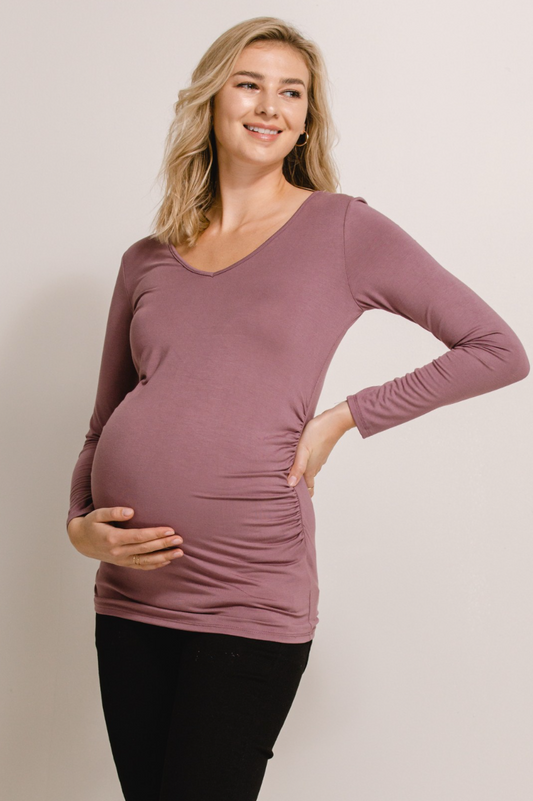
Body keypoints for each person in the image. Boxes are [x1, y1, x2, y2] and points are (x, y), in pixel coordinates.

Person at [66, 16, 530, 801]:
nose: (269, 106)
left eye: (291, 93)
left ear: (307, 119)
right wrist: (78, 524)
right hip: (131, 594)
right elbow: (102, 418)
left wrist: (344, 416)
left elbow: (496, 348)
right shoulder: (146, 258)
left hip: (248, 593)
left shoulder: (341, 228)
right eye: (249, 84)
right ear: (210, 101)